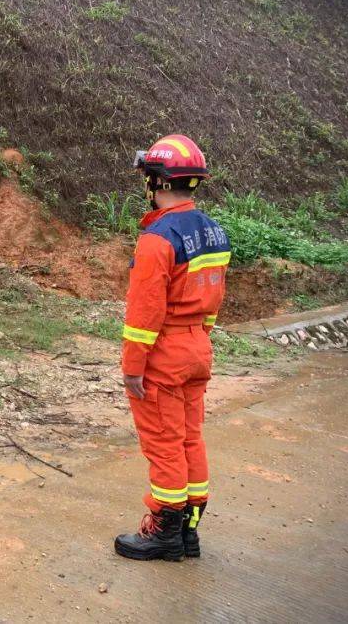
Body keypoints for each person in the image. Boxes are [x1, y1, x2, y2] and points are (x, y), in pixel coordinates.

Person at [114, 134, 230, 561]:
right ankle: (189, 531)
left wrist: (132, 368)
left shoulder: (157, 238)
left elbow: (144, 314)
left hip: (164, 352)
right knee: (189, 440)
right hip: (199, 346)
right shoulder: (215, 232)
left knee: (164, 443)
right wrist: (199, 336)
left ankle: (164, 532)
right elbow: (215, 297)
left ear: (158, 183)